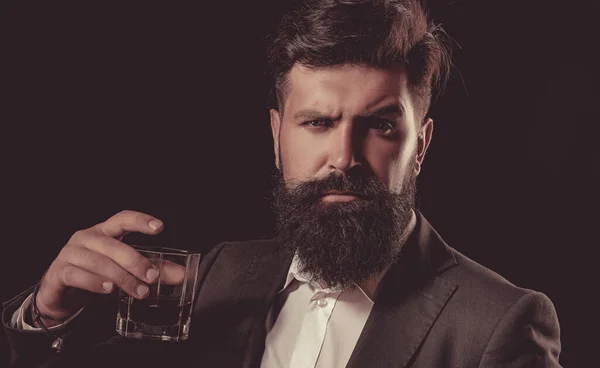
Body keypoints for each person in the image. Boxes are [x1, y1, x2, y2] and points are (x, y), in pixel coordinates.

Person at [2, 0, 562, 367]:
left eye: (380, 126)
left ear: (422, 146)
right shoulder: (218, 273)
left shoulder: (498, 325)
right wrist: (48, 317)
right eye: (318, 122)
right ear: (276, 136)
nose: (343, 158)